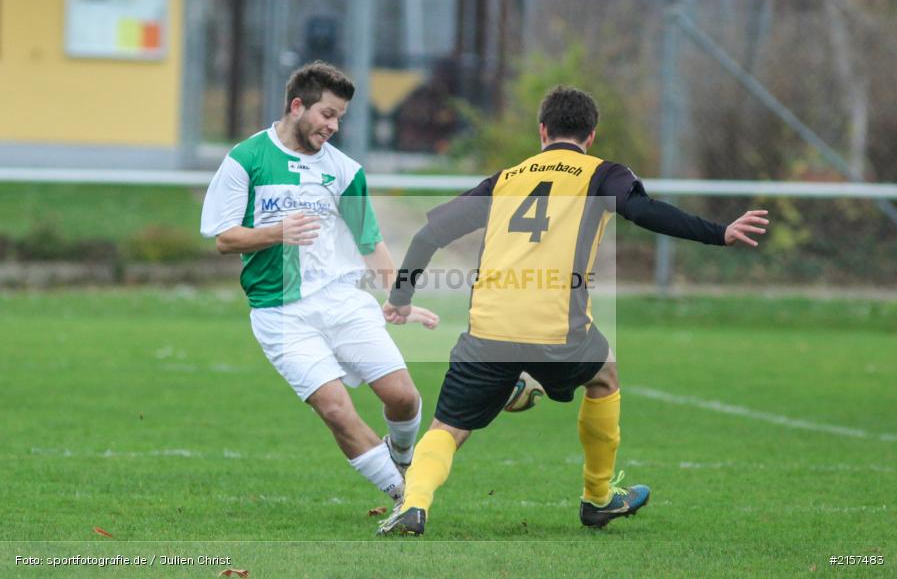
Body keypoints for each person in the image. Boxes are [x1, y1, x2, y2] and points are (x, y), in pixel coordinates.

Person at [377, 86, 769, 535]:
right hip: (557, 327)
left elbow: (429, 236)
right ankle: (598, 498)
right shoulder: (601, 174)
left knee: (448, 426)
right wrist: (718, 233)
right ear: (592, 135)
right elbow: (644, 212)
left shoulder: (506, 178)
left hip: (488, 327)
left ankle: (415, 503)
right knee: (604, 376)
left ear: (542, 130)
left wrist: (400, 298)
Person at [200, 61, 439, 506]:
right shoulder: (246, 159)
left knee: (403, 398)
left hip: (342, 301)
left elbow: (371, 243)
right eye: (327, 114)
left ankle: (400, 459)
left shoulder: (346, 171)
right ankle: (404, 499)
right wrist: (276, 232)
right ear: (297, 106)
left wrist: (400, 299)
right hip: (281, 312)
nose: (333, 126)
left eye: (340, 118)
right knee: (335, 410)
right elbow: (224, 238)